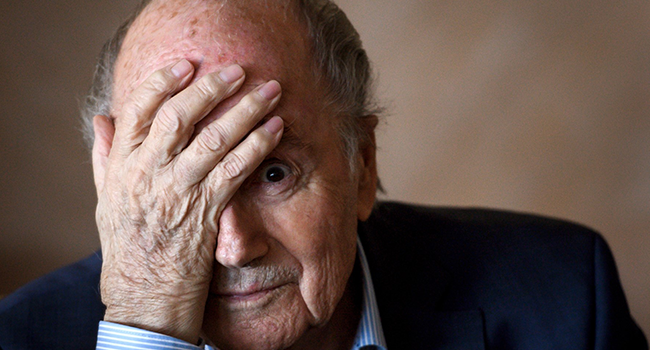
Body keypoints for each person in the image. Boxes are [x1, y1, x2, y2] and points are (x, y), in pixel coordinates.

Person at [0, 0, 647, 349]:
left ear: (362, 166)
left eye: (274, 173)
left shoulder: (563, 302)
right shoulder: (19, 337)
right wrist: (144, 324)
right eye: (180, 185)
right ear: (112, 184)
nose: (233, 245)